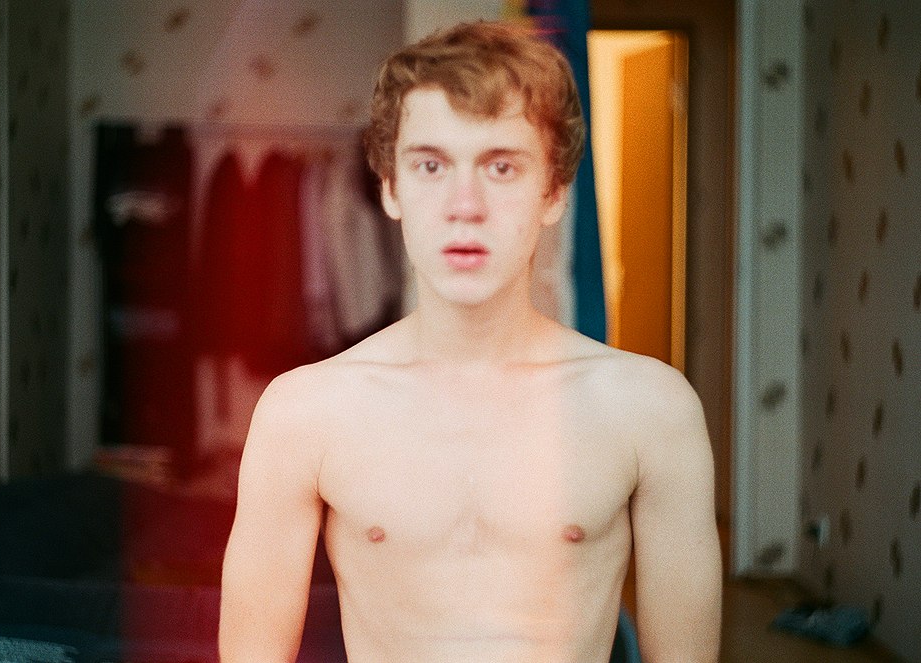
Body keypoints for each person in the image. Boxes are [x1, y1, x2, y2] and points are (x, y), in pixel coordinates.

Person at [220, 20, 721, 663]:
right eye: (431, 165)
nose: (465, 205)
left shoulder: (652, 409)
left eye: (501, 166)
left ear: (554, 193)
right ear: (391, 188)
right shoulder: (303, 412)